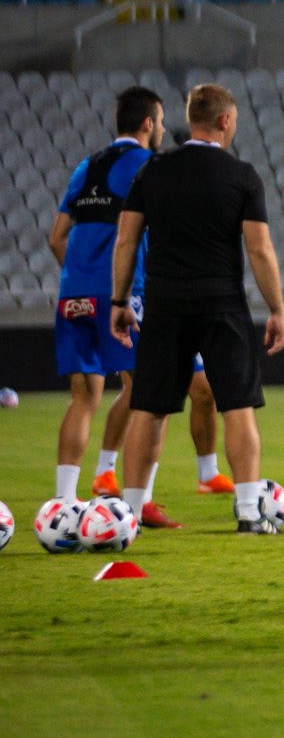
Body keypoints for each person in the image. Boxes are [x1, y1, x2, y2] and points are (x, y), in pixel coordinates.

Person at [47, 86, 230, 527]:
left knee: (84, 397)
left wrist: (82, 287)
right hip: (123, 297)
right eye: (162, 121)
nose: (164, 128)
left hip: (73, 294)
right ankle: (139, 502)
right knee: (151, 393)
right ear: (149, 123)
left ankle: (62, 503)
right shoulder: (150, 166)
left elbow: (56, 238)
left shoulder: (86, 166)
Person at [109, 84, 284, 534]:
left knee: (150, 407)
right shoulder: (242, 175)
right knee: (238, 406)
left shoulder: (152, 172)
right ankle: (249, 511)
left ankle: (129, 513)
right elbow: (260, 250)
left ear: (191, 119)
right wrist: (278, 309)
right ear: (225, 121)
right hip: (222, 302)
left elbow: (127, 239)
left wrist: (118, 300)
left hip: (165, 303)